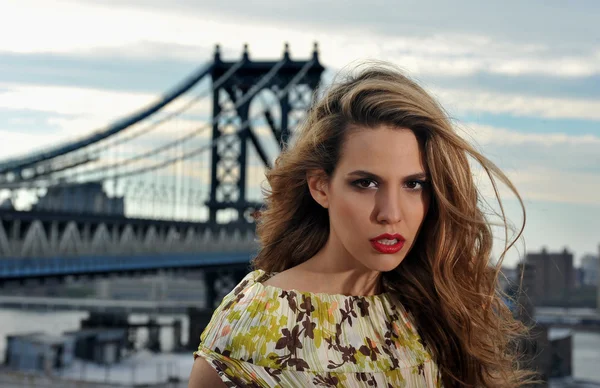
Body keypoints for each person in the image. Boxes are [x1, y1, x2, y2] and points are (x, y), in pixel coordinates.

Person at [189, 63, 534, 387]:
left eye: (413, 184)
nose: (391, 213)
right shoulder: (254, 322)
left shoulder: (432, 307)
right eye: (366, 183)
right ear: (320, 186)